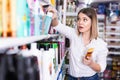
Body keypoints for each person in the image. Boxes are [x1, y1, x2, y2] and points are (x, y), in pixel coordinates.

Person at [48, 7, 108, 80]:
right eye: (78, 19)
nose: (80, 22)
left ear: (92, 22)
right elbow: (57, 25)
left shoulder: (100, 44)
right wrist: (54, 16)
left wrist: (91, 63)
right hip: (72, 78)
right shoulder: (73, 34)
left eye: (84, 19)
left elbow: (101, 68)